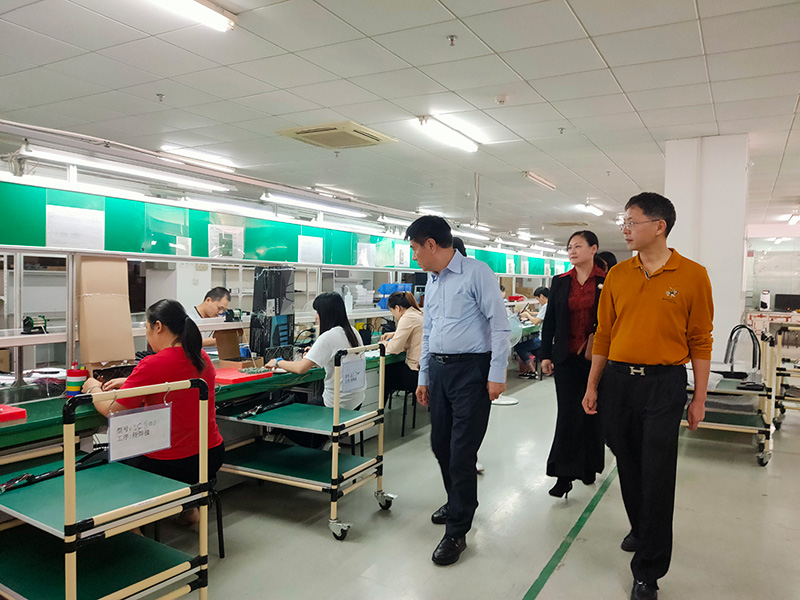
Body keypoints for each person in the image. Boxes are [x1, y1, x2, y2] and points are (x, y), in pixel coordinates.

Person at [581, 193, 712, 600]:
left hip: (663, 384)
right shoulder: (618, 275)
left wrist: (699, 398)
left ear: (659, 226)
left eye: (631, 222)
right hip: (618, 382)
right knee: (627, 461)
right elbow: (604, 334)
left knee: (657, 472)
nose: (625, 229)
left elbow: (701, 340)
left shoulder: (693, 275)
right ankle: (641, 527)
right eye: (624, 222)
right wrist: (592, 384)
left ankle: (648, 571)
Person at [407, 215, 510, 566]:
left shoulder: (477, 273)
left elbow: (500, 326)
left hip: (471, 372)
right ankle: (457, 500)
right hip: (439, 370)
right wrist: (423, 377)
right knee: (441, 444)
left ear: (431, 244)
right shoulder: (433, 280)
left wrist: (496, 373)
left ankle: (457, 530)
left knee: (462, 451)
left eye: (415, 249)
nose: (414, 256)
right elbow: (429, 331)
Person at [82, 299, 224, 524]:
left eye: (147, 329)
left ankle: (133, 526)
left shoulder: (152, 364)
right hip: (210, 455)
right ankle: (189, 509)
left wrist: (93, 388)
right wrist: (131, 382)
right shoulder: (200, 356)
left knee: (107, 461)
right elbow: (173, 379)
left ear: (158, 327)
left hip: (171, 463)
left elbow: (112, 411)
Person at [540, 231, 606, 499]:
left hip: (597, 359)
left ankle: (589, 466)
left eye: (578, 246)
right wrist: (545, 355)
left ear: (593, 249)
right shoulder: (560, 282)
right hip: (566, 358)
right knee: (568, 414)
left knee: (592, 413)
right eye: (569, 247)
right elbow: (550, 322)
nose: (572, 251)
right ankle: (564, 475)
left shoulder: (607, 280)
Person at [266, 292, 365, 411]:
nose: (316, 316)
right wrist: (314, 355)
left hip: (335, 406)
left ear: (326, 314)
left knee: (292, 412)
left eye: (318, 312)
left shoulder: (328, 337)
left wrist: (277, 362)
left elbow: (300, 368)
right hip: (355, 402)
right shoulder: (353, 332)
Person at [381, 291, 423, 395]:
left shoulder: (407, 317)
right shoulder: (417, 314)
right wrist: (394, 334)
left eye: (392, 311)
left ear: (397, 308)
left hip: (415, 372)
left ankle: (379, 405)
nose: (393, 315)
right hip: (422, 371)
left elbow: (393, 349)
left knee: (383, 375)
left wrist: (383, 345)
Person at [514, 286, 549, 379]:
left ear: (542, 296)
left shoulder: (545, 306)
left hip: (542, 340)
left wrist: (527, 315)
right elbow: (541, 315)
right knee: (530, 346)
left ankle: (533, 371)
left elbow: (536, 321)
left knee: (519, 346)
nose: (538, 301)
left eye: (538, 299)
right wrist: (531, 313)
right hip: (548, 339)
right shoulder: (550, 305)